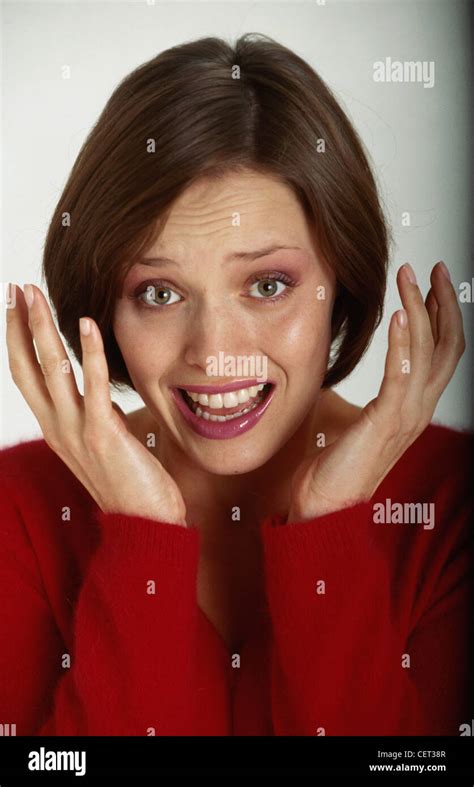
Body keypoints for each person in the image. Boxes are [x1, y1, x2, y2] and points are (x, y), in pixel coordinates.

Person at [1, 34, 471, 737]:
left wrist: (332, 529)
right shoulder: (18, 513)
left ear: (341, 282)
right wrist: (142, 542)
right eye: (158, 292)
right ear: (103, 308)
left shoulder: (453, 505)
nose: (216, 353)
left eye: (269, 284)